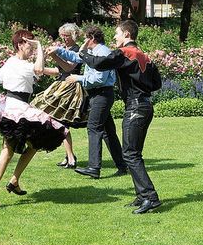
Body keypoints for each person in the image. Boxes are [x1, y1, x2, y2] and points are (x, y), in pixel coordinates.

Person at [52, 20, 162, 214]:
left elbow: (100, 64)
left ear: (127, 34)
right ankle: (141, 196)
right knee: (133, 154)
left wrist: (84, 51)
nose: (114, 37)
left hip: (135, 107)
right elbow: (157, 84)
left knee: (130, 154)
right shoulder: (144, 55)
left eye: (117, 34)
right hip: (145, 105)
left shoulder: (126, 52)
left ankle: (150, 197)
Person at [0, 30, 67, 208]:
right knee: (7, 152)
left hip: (22, 109)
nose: (32, 48)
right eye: (29, 44)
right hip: (14, 110)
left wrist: (64, 65)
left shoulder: (22, 64)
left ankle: (14, 180)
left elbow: (48, 71)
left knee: (35, 144)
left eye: (33, 44)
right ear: (20, 45)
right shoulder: (15, 63)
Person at [61, 25, 127, 178]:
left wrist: (77, 78)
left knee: (93, 127)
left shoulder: (102, 52)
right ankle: (122, 165)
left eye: (85, 38)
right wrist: (57, 51)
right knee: (108, 132)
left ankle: (94, 168)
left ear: (91, 38)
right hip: (98, 95)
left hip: (102, 94)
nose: (83, 41)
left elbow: (99, 79)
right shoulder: (93, 51)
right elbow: (76, 57)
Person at [31, 23, 85, 169]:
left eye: (67, 36)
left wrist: (54, 55)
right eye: (62, 36)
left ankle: (71, 157)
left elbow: (69, 68)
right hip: (61, 84)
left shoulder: (77, 50)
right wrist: (40, 69)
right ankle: (69, 156)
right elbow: (59, 70)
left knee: (62, 122)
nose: (64, 39)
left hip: (70, 87)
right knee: (58, 121)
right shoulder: (65, 49)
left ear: (73, 35)